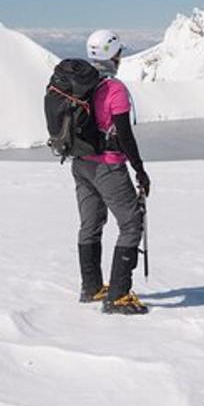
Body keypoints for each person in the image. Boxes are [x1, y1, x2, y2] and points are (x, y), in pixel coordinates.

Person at [73, 29, 151, 315]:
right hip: (107, 165)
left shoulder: (82, 84)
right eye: (118, 52)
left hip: (80, 164)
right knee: (131, 224)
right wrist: (140, 171)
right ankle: (117, 295)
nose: (120, 57)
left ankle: (91, 287)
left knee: (90, 224)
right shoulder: (114, 89)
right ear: (111, 54)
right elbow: (125, 135)